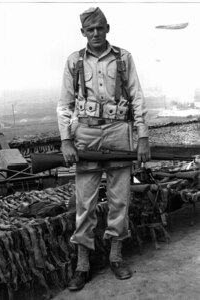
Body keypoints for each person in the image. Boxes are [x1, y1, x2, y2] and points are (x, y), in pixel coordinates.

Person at [57, 7, 150, 291]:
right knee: (85, 204)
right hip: (85, 134)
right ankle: (83, 265)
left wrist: (142, 136)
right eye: (90, 29)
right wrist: (65, 140)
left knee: (119, 200)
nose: (95, 33)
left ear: (107, 28)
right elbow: (64, 105)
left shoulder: (124, 58)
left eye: (100, 28)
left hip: (119, 133)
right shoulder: (74, 61)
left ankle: (116, 256)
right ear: (83, 32)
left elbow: (137, 97)